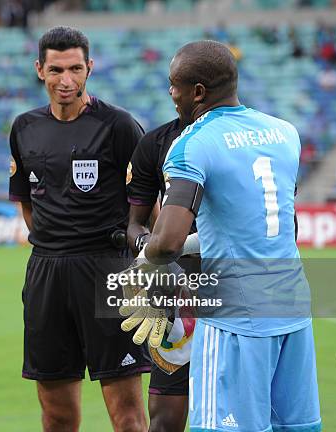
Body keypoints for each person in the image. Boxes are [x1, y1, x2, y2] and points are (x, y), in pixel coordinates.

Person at [127, 40, 321, 432]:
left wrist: (145, 264)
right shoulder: (284, 133)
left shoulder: (192, 144)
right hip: (293, 311)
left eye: (174, 85)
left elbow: (168, 242)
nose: (170, 93)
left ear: (197, 92)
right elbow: (270, 225)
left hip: (236, 318)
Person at [8, 26, 150, 431]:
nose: (65, 80)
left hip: (109, 270)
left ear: (90, 68)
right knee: (56, 413)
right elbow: (28, 205)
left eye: (75, 69)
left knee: (126, 414)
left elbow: (147, 207)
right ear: (39, 70)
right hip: (47, 273)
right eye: (55, 70)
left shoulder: (119, 125)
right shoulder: (24, 128)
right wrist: (55, 244)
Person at [126, 116, 196, 432]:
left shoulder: (245, 138)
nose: (171, 91)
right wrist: (148, 258)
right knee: (165, 418)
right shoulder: (155, 142)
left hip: (234, 291)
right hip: (172, 292)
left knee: (233, 413)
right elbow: (135, 224)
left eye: (177, 84)